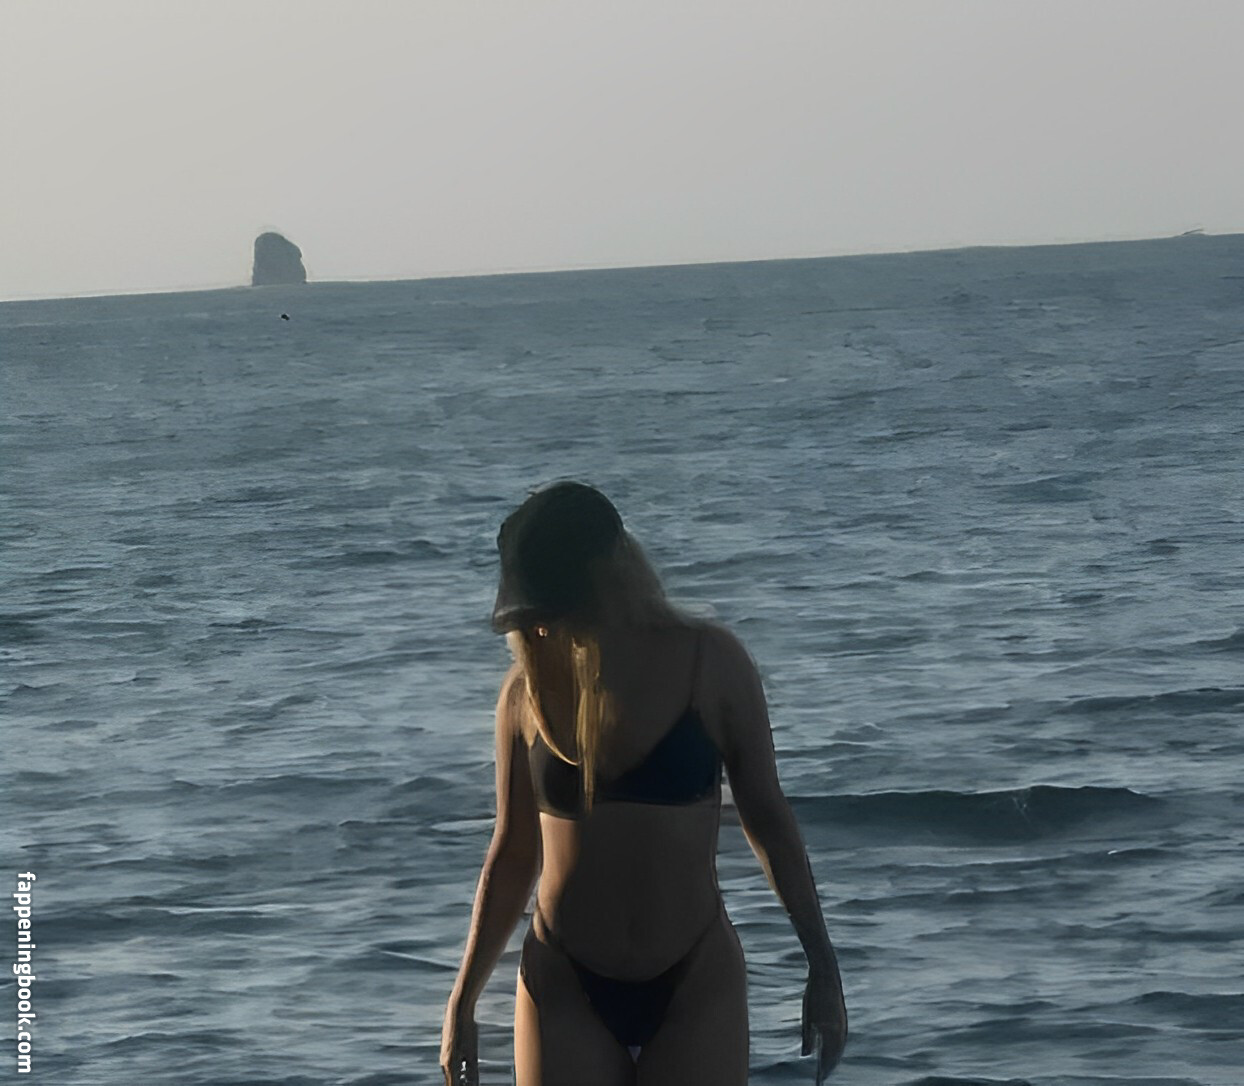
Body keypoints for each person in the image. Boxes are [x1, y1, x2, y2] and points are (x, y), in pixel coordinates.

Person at [440, 481, 847, 1085]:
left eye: (554, 607)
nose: (543, 629)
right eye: (534, 614)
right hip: (564, 981)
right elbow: (513, 852)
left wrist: (822, 964)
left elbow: (769, 821)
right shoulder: (526, 696)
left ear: (604, 581)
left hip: (694, 977)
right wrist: (463, 1000)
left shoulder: (711, 664)